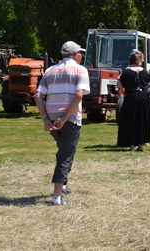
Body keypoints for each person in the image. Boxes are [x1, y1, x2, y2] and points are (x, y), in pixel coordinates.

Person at [34, 41, 91, 205]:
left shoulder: (50, 70)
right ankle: (57, 197)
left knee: (63, 152)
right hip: (70, 118)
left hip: (51, 118)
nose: (82, 56)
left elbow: (38, 95)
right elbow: (79, 95)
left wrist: (45, 118)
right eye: (80, 53)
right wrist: (65, 118)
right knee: (66, 156)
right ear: (75, 54)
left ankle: (63, 186)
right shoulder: (80, 70)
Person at [117, 50, 150, 151]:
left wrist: (119, 78)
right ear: (138, 61)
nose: (142, 61)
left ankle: (131, 145)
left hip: (131, 96)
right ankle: (141, 144)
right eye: (141, 59)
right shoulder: (144, 71)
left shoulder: (127, 72)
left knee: (130, 119)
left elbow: (119, 85)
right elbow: (147, 82)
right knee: (142, 119)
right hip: (143, 96)